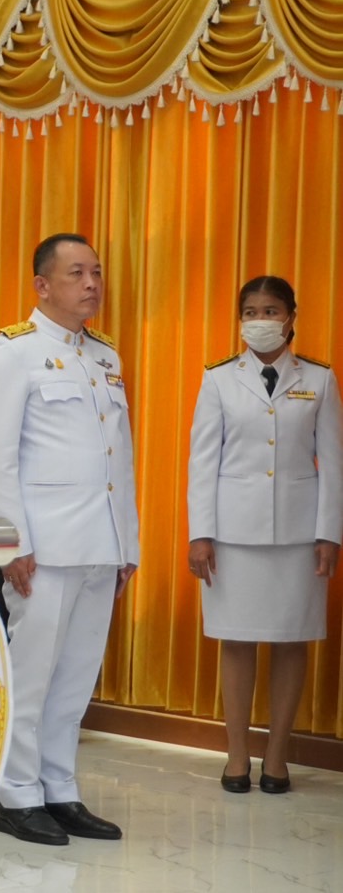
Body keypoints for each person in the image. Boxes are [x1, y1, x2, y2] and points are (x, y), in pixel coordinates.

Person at [0, 232, 139, 846]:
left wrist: (129, 544)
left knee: (75, 678)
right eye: (77, 273)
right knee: (32, 676)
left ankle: (59, 788)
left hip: (101, 541)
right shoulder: (10, 352)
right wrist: (12, 543)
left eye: (96, 272)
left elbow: (119, 458)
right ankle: (16, 795)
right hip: (42, 547)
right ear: (43, 285)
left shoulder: (104, 357)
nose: (92, 283)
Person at [187, 275, 342, 794]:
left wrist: (330, 533)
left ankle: (276, 759)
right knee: (236, 639)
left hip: (300, 534)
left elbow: (335, 464)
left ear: (292, 316)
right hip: (232, 534)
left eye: (271, 310)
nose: (260, 320)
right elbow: (202, 462)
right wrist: (199, 533)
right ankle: (236, 757)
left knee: (292, 640)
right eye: (250, 310)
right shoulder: (219, 379)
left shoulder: (319, 378)